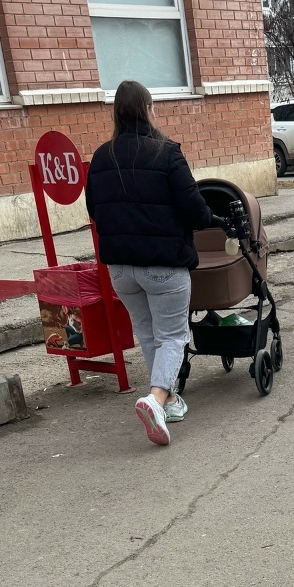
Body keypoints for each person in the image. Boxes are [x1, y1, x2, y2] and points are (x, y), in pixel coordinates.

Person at [85, 79, 213, 447]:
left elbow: (95, 210)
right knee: (173, 335)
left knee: (148, 334)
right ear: (148, 110)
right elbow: (195, 211)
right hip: (164, 265)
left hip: (121, 269)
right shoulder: (166, 153)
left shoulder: (101, 157)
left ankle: (170, 401)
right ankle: (156, 399)